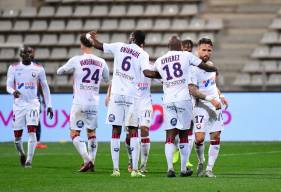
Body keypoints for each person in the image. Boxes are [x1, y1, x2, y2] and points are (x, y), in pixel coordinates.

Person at [143, 35, 218, 177]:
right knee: (184, 134)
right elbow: (202, 65)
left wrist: (161, 76)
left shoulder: (161, 59)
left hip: (168, 100)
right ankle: (183, 169)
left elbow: (149, 73)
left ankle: (170, 168)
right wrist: (213, 68)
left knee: (170, 135)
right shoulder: (186, 56)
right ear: (180, 46)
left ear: (169, 46)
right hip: (184, 99)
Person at [89, 30, 149, 177]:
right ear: (142, 43)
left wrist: (91, 37)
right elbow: (147, 72)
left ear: (132, 38)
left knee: (116, 131)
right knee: (134, 131)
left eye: (130, 36)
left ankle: (116, 170)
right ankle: (134, 170)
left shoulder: (119, 46)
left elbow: (98, 46)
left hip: (116, 95)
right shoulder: (142, 54)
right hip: (132, 96)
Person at [57, 33, 109, 172]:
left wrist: (66, 70)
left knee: (74, 133)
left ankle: (87, 160)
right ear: (92, 44)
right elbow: (107, 79)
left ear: (81, 45)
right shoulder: (101, 62)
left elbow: (59, 72)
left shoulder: (76, 60)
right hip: (93, 103)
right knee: (91, 133)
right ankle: (92, 161)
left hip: (79, 102)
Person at [6, 45, 53, 168]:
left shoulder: (38, 69)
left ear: (32, 54)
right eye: (25, 52)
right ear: (21, 55)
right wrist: (13, 91)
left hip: (33, 103)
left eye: (29, 52)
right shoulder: (13, 68)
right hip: (19, 105)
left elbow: (45, 87)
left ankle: (29, 161)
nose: (27, 54)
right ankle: (22, 153)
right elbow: (8, 86)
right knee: (17, 136)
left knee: (32, 131)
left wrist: (49, 105)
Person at [188, 38, 228, 178]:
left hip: (215, 104)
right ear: (198, 50)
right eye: (203, 50)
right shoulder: (192, 68)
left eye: (209, 50)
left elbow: (212, 85)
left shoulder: (211, 65)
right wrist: (210, 99)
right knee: (199, 139)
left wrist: (220, 95)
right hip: (201, 106)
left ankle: (209, 169)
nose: (206, 53)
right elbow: (193, 91)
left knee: (216, 136)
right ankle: (201, 161)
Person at [173, 39, 195, 176]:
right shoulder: (176, 62)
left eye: (189, 47)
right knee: (175, 130)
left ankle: (185, 160)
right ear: (181, 47)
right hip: (176, 99)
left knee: (189, 130)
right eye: (185, 46)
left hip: (190, 99)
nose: (187, 48)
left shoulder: (193, 63)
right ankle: (175, 149)